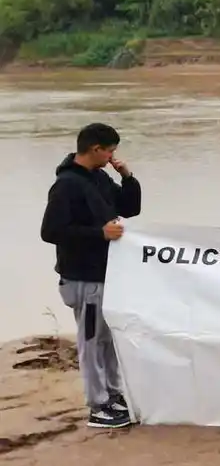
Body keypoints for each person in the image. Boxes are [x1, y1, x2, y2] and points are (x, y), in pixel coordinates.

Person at [39, 122, 143, 430]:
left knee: (106, 339)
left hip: (104, 275)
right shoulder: (67, 185)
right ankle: (98, 406)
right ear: (95, 149)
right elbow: (51, 231)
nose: (113, 155)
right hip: (82, 279)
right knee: (90, 341)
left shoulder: (98, 177)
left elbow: (130, 208)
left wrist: (127, 177)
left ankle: (113, 395)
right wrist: (99, 233)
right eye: (111, 150)